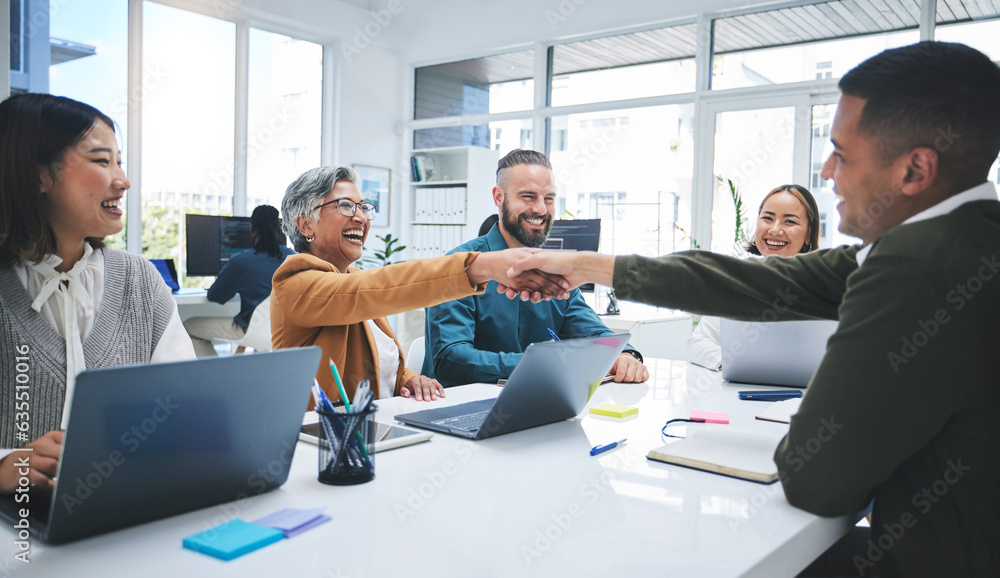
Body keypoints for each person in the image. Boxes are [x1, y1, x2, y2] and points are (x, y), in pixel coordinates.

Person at [505, 42, 1000, 577]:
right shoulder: (965, 237)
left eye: (842, 153)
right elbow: (757, 282)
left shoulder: (920, 270)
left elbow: (814, 476)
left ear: (915, 170)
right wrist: (589, 265)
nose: (828, 171)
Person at [0, 94, 196, 493]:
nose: (122, 181)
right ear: (37, 175)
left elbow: (187, 404)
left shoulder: (139, 279)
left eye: (119, 162)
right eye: (102, 161)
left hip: (126, 507)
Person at [270, 165, 566, 406]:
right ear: (306, 225)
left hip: (375, 428)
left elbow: (377, 363)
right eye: (345, 206)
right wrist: (481, 266)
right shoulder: (296, 281)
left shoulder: (354, 279)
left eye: (362, 206)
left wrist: (407, 378)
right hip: (325, 441)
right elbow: (372, 289)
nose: (360, 217)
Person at [422, 149, 648, 387]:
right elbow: (450, 360)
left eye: (549, 198)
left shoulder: (556, 271)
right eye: (528, 196)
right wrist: (538, 364)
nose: (541, 209)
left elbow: (593, 333)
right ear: (499, 197)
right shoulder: (460, 268)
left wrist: (625, 355)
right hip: (458, 409)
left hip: (535, 405)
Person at [687, 184, 820, 370]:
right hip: (738, 395)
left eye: (789, 221)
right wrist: (732, 364)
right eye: (767, 218)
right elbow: (698, 342)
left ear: (808, 235)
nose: (775, 229)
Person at [183, 204, 295, 356]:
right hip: (287, 333)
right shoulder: (295, 259)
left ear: (252, 228)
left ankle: (217, 373)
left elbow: (215, 296)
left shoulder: (241, 261)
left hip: (249, 331)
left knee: (189, 326)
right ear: (280, 229)